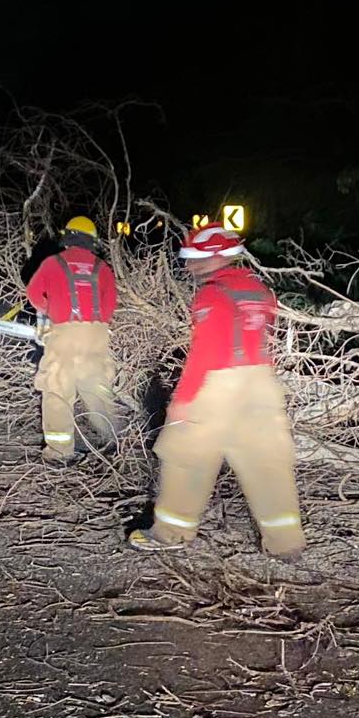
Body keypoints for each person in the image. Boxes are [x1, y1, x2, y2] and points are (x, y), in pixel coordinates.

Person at [130, 223, 303, 556]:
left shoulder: (212, 294)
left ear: (217, 258)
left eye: (197, 260)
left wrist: (182, 400)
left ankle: (170, 533)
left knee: (186, 456)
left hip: (218, 384)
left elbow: (205, 352)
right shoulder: (260, 290)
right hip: (262, 383)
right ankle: (286, 542)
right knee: (267, 462)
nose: (190, 266)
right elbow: (273, 337)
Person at [23, 215, 119, 459]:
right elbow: (110, 304)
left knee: (57, 390)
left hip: (64, 334)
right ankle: (113, 441)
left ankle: (59, 452)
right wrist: (95, 325)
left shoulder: (52, 263)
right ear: (92, 242)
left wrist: (51, 311)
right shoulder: (102, 267)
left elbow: (33, 293)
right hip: (96, 334)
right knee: (97, 387)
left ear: (67, 238)